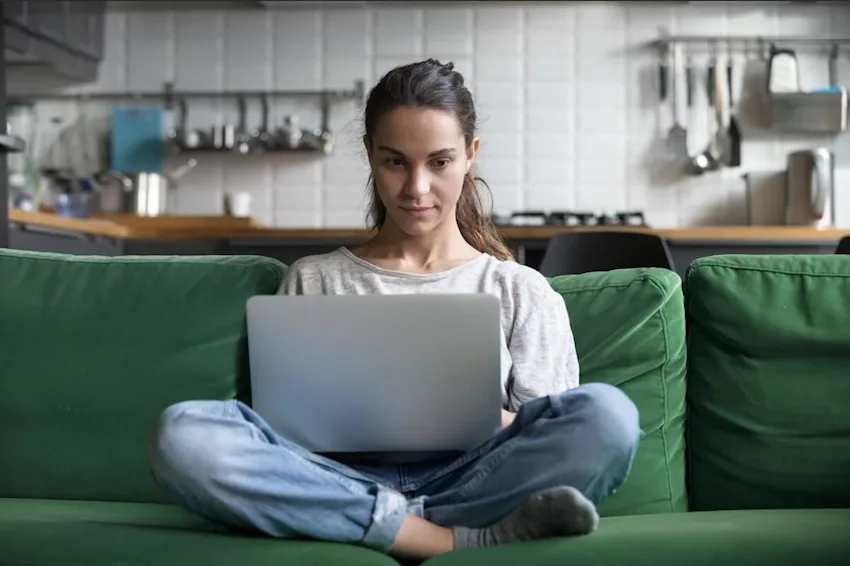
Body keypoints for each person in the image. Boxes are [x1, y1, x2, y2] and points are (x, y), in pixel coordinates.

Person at [148, 59, 640, 561]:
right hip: (337, 478)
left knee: (608, 417)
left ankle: (366, 525)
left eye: (440, 162)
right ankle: (437, 537)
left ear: (471, 156)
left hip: (474, 480)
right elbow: (283, 431)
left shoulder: (519, 289)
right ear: (370, 154)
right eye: (396, 161)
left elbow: (548, 429)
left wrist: (478, 417)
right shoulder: (315, 279)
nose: (416, 188)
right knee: (184, 434)